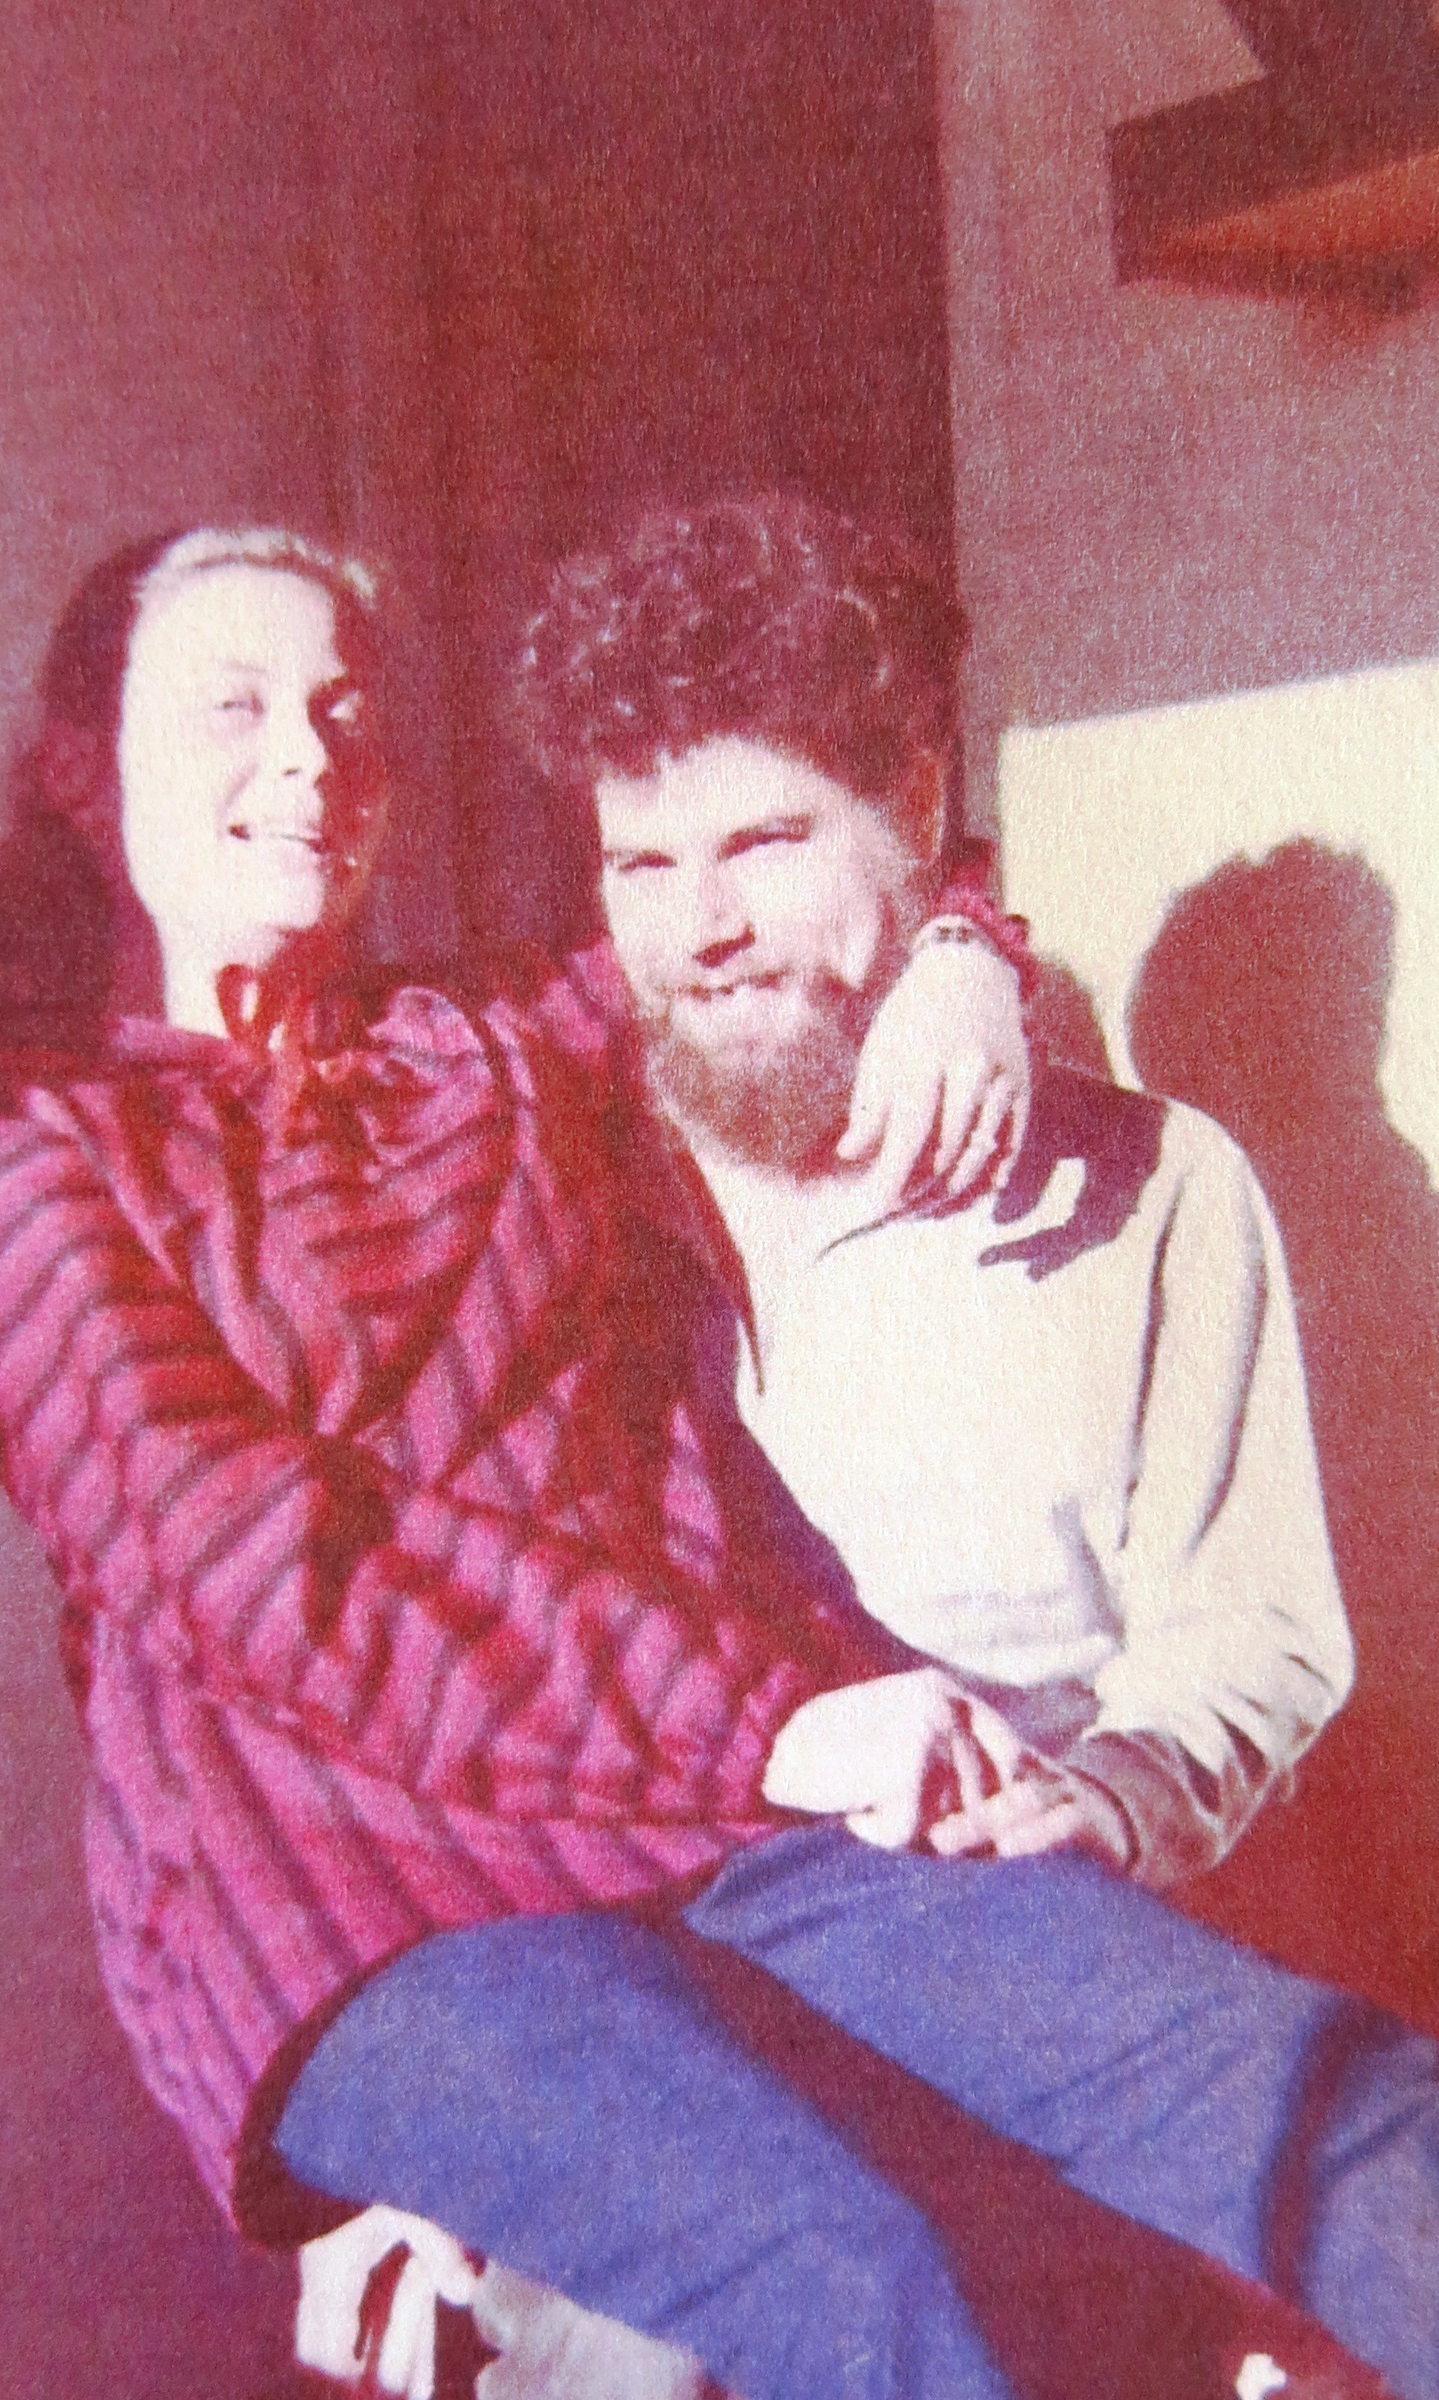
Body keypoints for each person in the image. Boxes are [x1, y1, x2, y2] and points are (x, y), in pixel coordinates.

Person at [295, 496, 1436, 2400]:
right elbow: (398, 1652)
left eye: (765, 841)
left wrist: (1119, 1792)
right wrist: (405, 2141)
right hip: (649, 1987)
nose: (701, 927)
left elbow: (1254, 1634)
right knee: (660, 2345)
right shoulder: (543, 1184)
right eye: (642, 862)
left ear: (914, 802)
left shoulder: (1149, 1186)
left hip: (1044, 1952)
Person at [0, 523, 1046, 2400]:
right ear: (80, 771)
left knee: (1041, 2207)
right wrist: (766, 1725)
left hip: (665, 1841)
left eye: (348, 715)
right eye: (234, 709)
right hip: (358, 1902)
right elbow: (244, 1560)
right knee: (827, 2278)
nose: (308, 759)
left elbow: (770, 925)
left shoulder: (487, 1036)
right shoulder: (22, 1131)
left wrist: (955, 954)